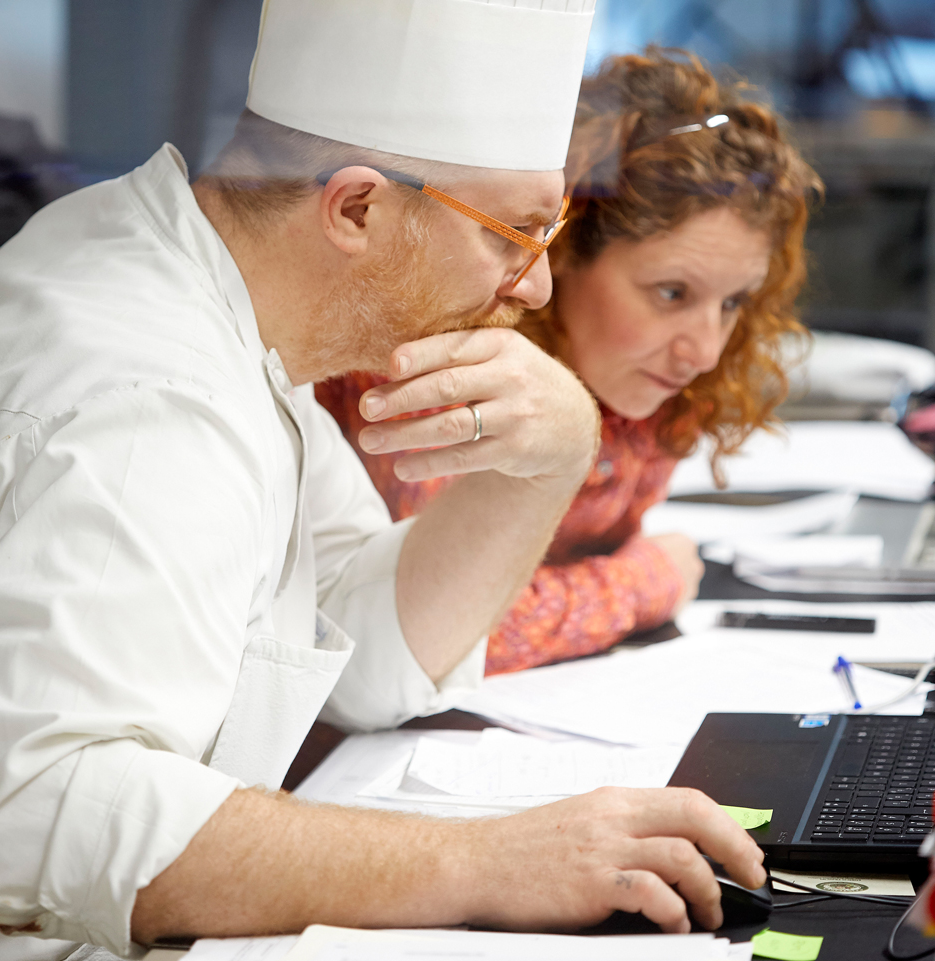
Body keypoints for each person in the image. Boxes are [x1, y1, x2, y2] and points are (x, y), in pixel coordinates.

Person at [0, 9, 765, 961]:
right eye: (517, 230)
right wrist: (488, 863)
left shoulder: (215, 295)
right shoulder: (147, 400)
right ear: (357, 210)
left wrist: (543, 462)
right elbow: (40, 814)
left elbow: (363, 653)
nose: (536, 285)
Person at [317, 49, 823, 674]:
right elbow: (445, 631)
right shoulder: (435, 365)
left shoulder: (648, 385)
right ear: (564, 252)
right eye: (671, 294)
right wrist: (646, 581)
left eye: (734, 303)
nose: (707, 350)